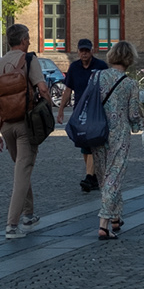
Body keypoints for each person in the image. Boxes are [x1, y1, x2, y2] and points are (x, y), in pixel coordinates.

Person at [0, 23, 52, 238]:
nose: (29, 42)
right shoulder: (29, 59)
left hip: (6, 125)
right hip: (26, 124)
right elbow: (42, 87)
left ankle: (29, 214)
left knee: (22, 169)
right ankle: (12, 226)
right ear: (24, 40)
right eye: (28, 39)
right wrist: (48, 105)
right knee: (22, 173)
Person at [87, 40, 144, 241]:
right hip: (118, 135)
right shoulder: (130, 84)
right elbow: (134, 115)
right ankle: (104, 224)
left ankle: (116, 217)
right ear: (129, 59)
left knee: (103, 177)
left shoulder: (96, 76)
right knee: (113, 177)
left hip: (96, 132)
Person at [62, 38, 108, 192]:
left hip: (96, 111)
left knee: (93, 143)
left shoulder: (101, 67)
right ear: (78, 51)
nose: (84, 53)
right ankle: (93, 177)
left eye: (87, 51)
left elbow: (108, 87)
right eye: (82, 51)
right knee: (83, 144)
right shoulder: (74, 68)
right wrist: (61, 110)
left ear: (92, 51)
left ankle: (89, 177)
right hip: (80, 111)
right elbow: (68, 90)